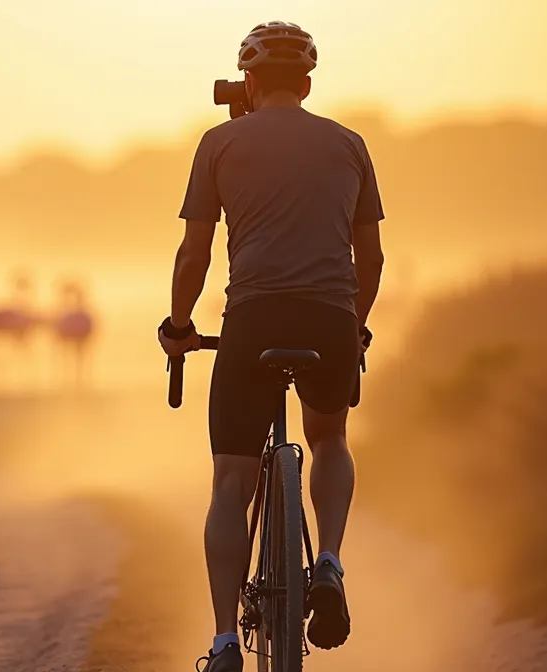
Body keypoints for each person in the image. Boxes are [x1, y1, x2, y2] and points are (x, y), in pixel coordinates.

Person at [156, 20, 385, 672]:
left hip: (252, 321)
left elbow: (193, 252)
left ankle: (227, 641)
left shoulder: (220, 143)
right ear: (309, 82)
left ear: (248, 80)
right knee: (330, 439)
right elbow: (370, 257)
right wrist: (354, 323)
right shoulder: (349, 144)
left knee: (230, 482)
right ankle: (331, 565)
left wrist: (178, 326)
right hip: (329, 321)